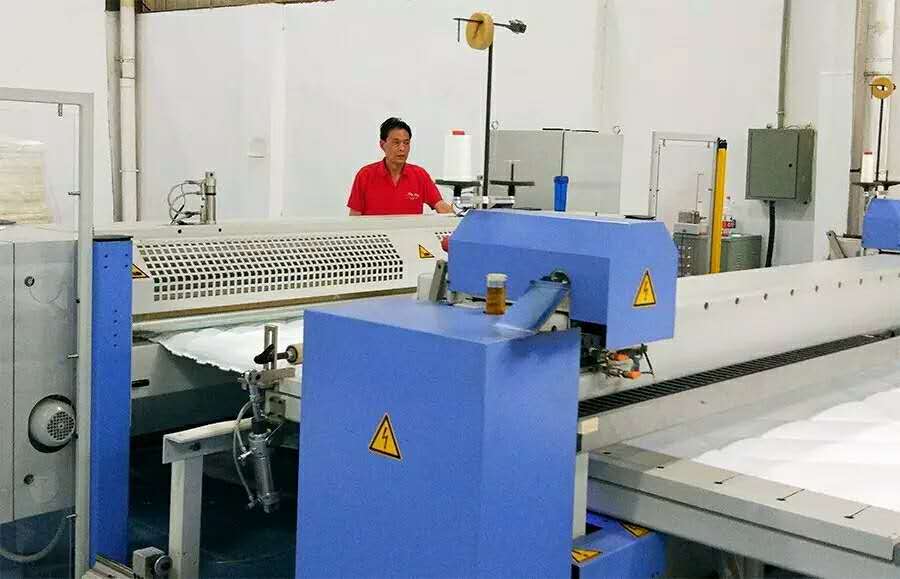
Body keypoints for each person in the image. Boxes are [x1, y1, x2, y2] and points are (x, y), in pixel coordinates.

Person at [348, 117, 452, 216]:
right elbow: (354, 218)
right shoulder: (365, 175)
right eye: (396, 143)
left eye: (406, 143)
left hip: (410, 229)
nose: (402, 148)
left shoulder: (419, 175)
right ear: (382, 144)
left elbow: (441, 206)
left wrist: (458, 214)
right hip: (375, 230)